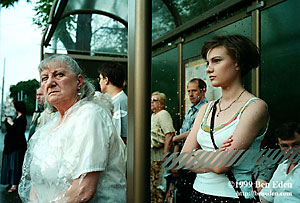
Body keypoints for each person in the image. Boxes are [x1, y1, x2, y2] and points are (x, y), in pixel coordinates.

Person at [18, 55, 126, 202]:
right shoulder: (51, 124)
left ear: (79, 81)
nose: (50, 83)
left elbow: (83, 190)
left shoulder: (90, 115)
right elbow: (36, 182)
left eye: (59, 75)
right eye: (44, 78)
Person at [180, 34, 269, 202]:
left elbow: (222, 165)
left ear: (237, 63)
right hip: (197, 192)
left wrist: (198, 154)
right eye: (208, 63)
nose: (208, 69)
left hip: (231, 196)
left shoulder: (254, 107)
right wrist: (214, 157)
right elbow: (183, 158)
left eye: (217, 61)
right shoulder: (206, 109)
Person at [170, 78, 208, 202]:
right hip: (184, 159)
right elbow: (182, 135)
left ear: (203, 91)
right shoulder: (191, 110)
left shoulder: (207, 109)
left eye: (194, 91)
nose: (191, 94)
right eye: (189, 91)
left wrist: (175, 138)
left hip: (197, 159)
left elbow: (193, 133)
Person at [260, 122, 300, 203]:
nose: (291, 152)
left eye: (296, 145)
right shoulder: (283, 165)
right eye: (285, 146)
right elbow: (266, 197)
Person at [151, 91, 175, 203]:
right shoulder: (153, 115)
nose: (151, 102)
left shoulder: (163, 114)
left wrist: (166, 154)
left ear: (162, 103)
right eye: (151, 100)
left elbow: (169, 134)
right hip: (152, 159)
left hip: (159, 159)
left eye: (155, 100)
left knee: (159, 188)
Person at [1, 101, 27, 193]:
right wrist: (8, 122)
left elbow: (18, 131)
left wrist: (11, 123)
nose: (13, 108)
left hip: (17, 146)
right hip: (11, 145)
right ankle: (11, 182)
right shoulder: (17, 118)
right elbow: (10, 130)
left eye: (14, 106)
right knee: (11, 164)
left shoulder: (22, 118)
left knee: (15, 165)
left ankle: (14, 184)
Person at [98, 62, 128, 144]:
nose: (99, 82)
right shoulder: (113, 100)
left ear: (106, 80)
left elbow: (121, 137)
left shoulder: (120, 101)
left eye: (100, 79)